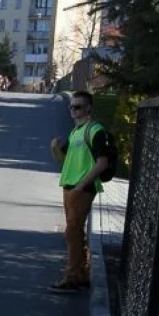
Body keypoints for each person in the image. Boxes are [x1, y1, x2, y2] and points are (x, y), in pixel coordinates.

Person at [48, 90, 110, 292]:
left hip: (81, 188)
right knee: (75, 232)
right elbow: (65, 161)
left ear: (88, 108)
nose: (73, 110)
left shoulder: (95, 130)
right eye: (71, 107)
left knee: (72, 232)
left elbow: (102, 163)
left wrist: (81, 185)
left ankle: (73, 276)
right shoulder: (76, 131)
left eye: (78, 107)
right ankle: (81, 273)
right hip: (70, 186)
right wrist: (56, 148)